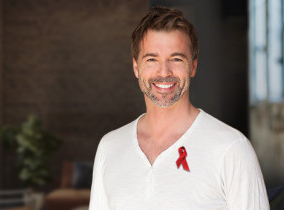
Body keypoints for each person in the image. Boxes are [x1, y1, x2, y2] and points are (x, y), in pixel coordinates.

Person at [89, 6, 269, 210]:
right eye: (151, 59)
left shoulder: (232, 149)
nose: (164, 72)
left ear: (193, 66)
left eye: (176, 59)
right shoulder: (110, 147)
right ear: (136, 67)